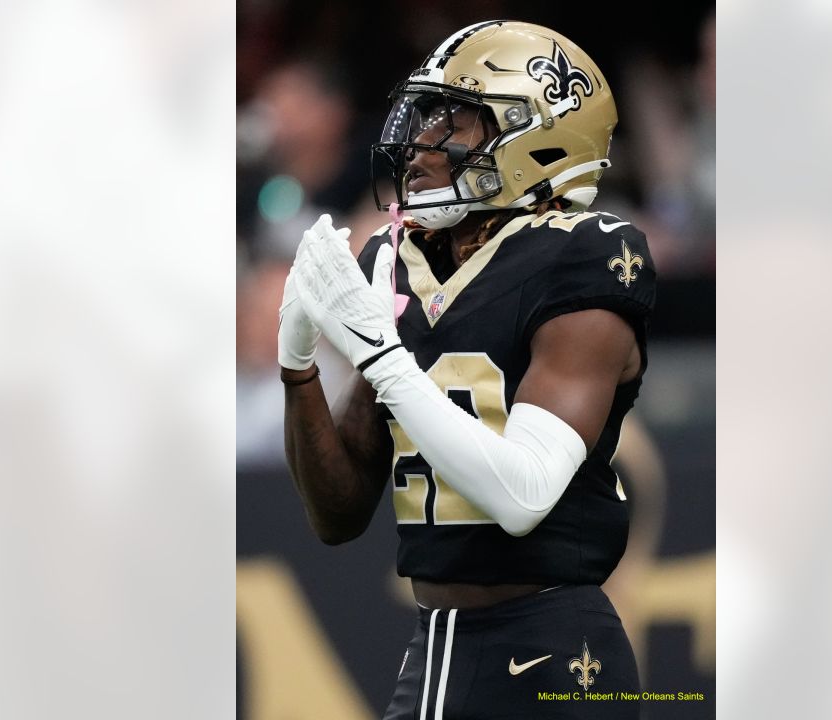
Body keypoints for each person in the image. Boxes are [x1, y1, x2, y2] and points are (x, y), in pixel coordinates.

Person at [278, 20, 655, 719]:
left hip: (554, 649)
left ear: (537, 137)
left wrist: (382, 356)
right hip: (435, 648)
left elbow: (525, 494)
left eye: (454, 121)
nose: (421, 145)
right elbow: (338, 515)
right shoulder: (403, 260)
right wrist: (296, 362)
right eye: (423, 117)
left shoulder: (583, 255)